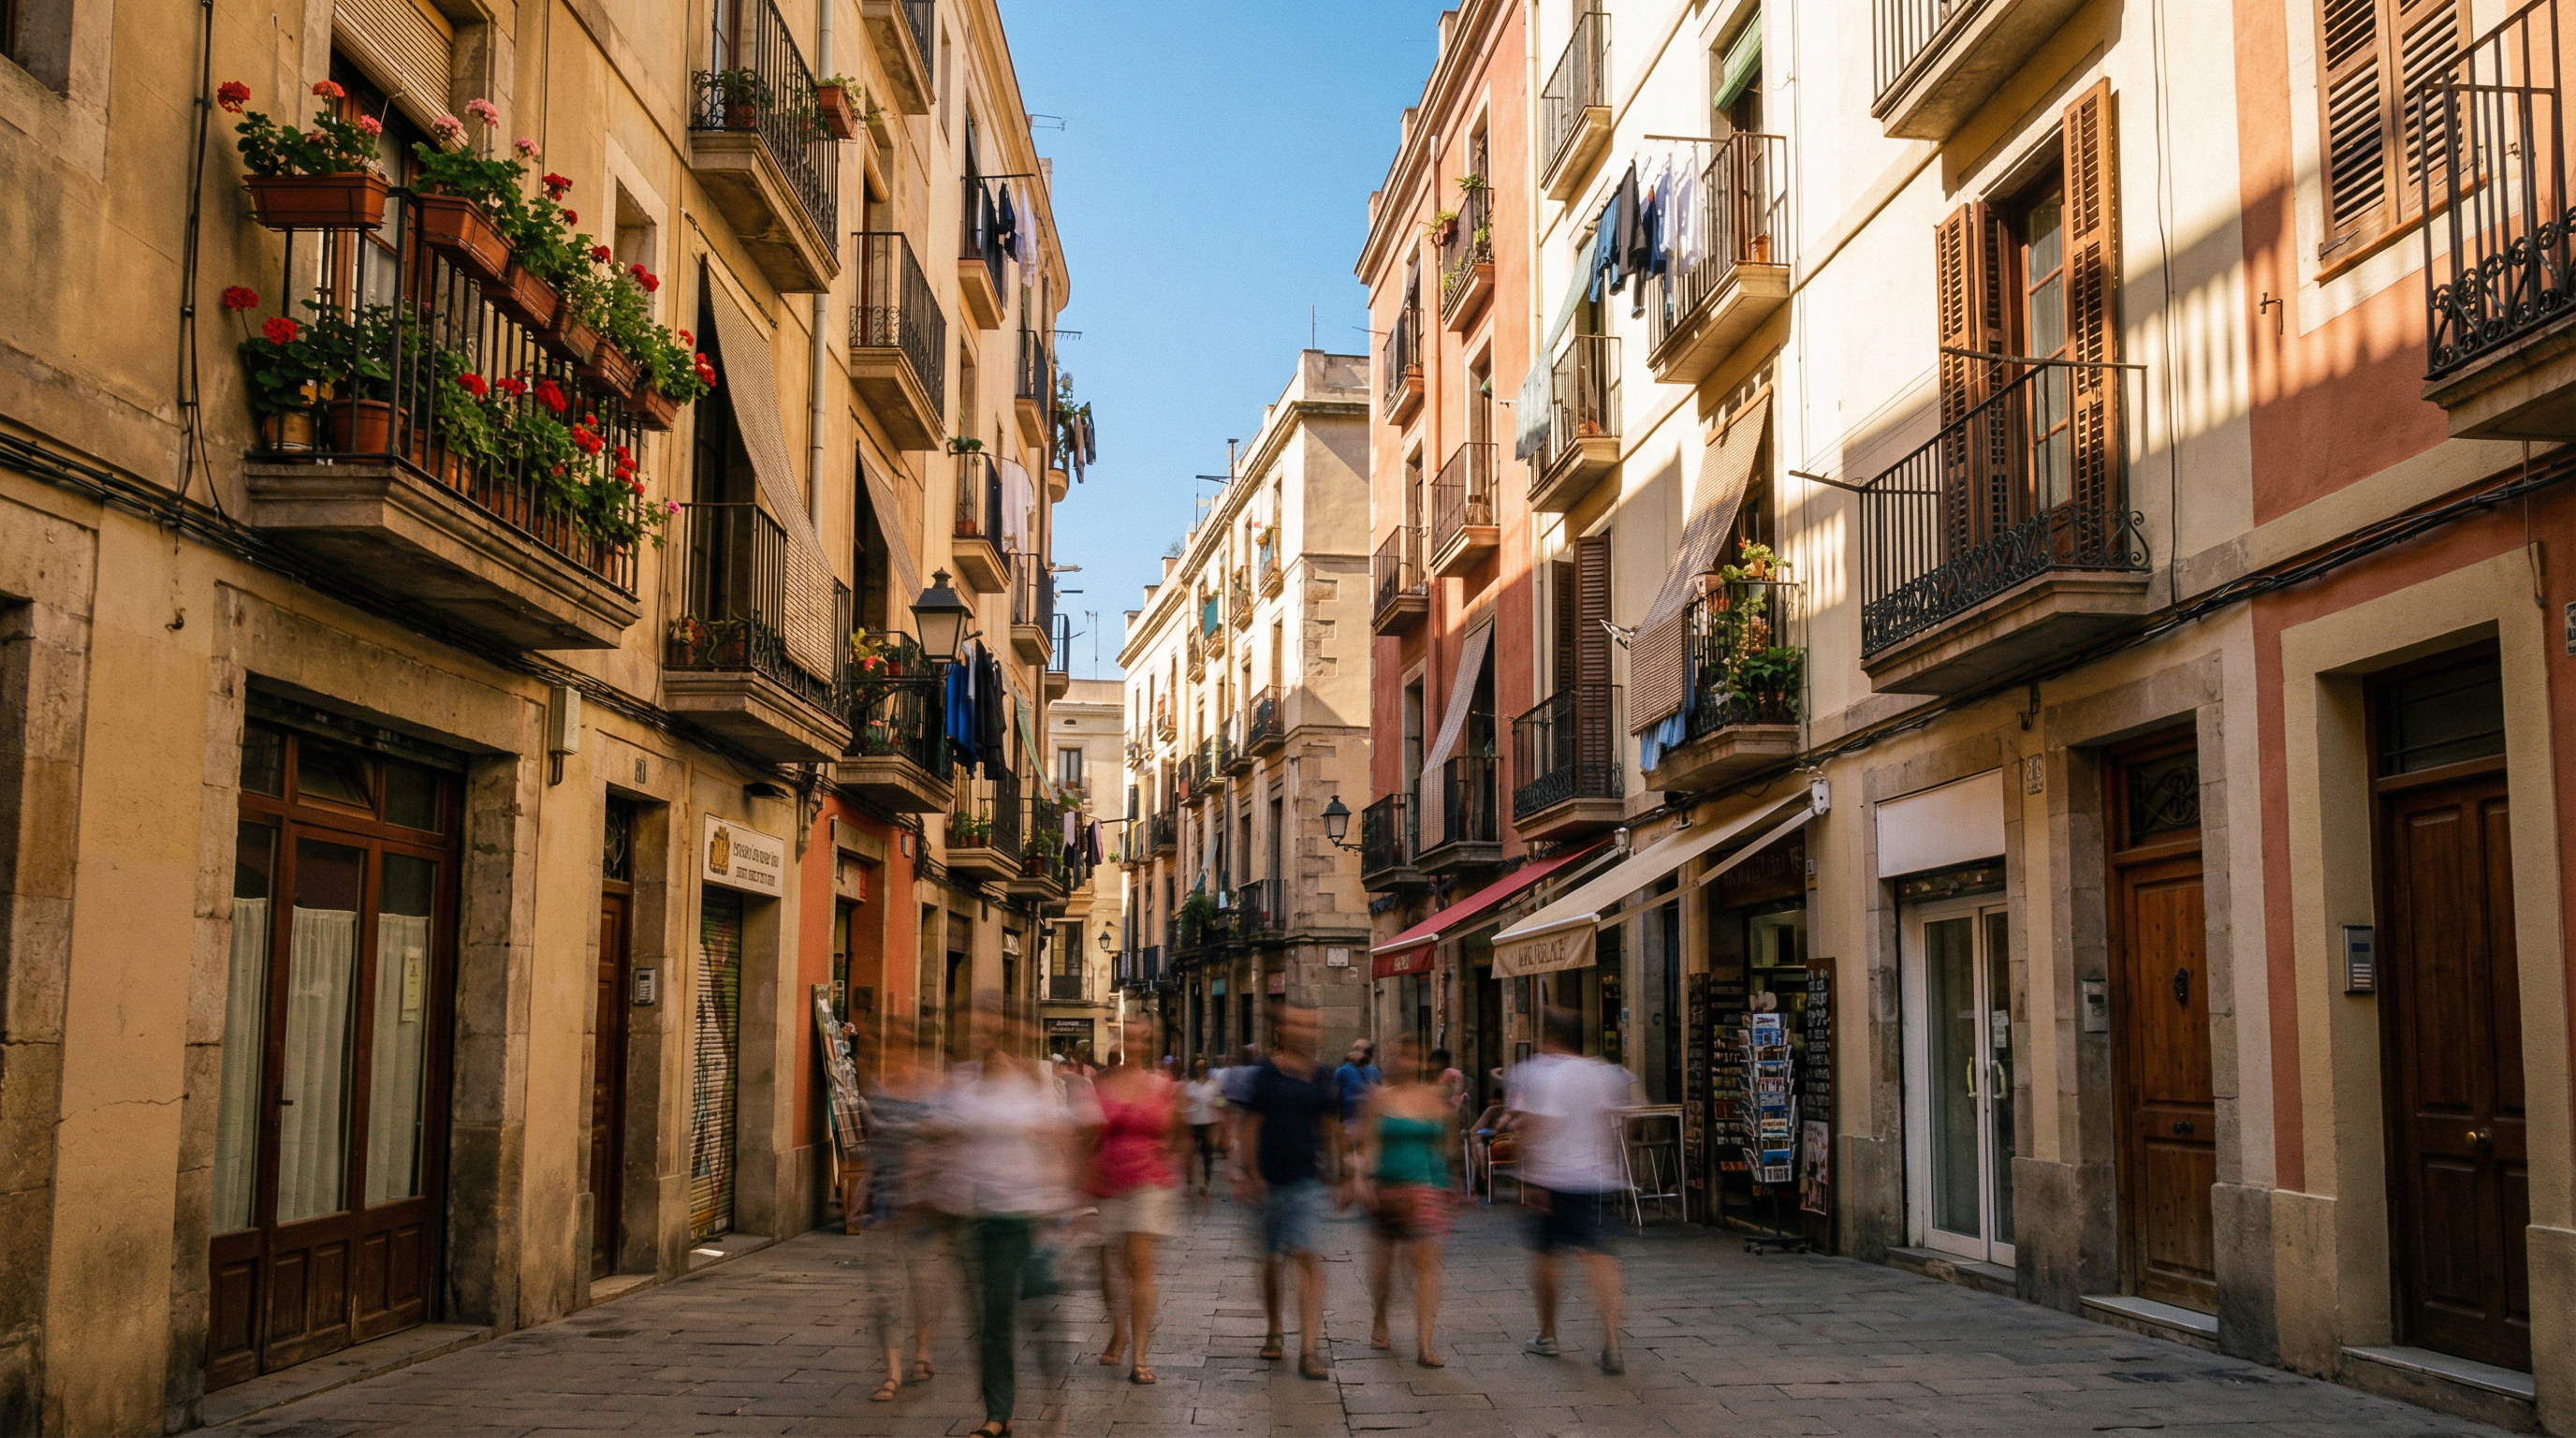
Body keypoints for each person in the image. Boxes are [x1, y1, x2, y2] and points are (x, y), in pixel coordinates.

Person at [934, 992, 1076, 1437]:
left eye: (983, 1020)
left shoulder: (1032, 1078)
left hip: (1031, 1215)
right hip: (985, 1215)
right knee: (993, 1318)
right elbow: (950, 1142)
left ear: (999, 1025)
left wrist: (1057, 1209)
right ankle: (999, 1414)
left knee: (1037, 1312)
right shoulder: (961, 1080)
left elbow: (1056, 1142)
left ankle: (1055, 1393)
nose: (976, 1030)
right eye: (969, 1022)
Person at [1507, 1005, 1639, 1376]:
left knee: (1547, 1254)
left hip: (1552, 1178)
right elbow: (1625, 1119)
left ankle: (1547, 1334)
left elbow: (1533, 1124)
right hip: (1596, 1178)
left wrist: (1526, 1175)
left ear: (1546, 1036)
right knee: (1599, 1255)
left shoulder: (1535, 1073)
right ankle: (1612, 1342)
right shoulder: (1605, 1073)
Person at [1234, 1005, 1338, 1379]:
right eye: (1296, 1024)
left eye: (1309, 1024)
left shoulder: (1322, 1076)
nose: (1304, 1031)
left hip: (1307, 1179)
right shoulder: (1264, 1073)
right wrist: (1250, 1173)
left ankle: (1309, 1350)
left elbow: (1329, 1126)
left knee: (1307, 1256)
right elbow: (1250, 1124)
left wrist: (1339, 1173)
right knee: (1272, 1260)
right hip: (1269, 1181)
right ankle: (1274, 1327)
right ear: (1282, 1029)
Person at [1086, 1025, 1182, 1384]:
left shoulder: (1163, 1086)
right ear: (1121, 1043)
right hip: (1108, 1181)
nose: (1138, 1044)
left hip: (1148, 1182)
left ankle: (1140, 1355)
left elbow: (1175, 1133)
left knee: (1140, 1267)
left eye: (1145, 1039)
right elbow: (1088, 1134)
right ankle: (1118, 1330)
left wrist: (1167, 1152)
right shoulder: (1100, 1084)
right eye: (1132, 1038)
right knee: (1110, 1268)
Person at [1352, 1034, 1455, 1368]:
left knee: (1425, 1265)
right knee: (1384, 1268)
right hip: (1387, 1190)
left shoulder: (1436, 1098)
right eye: (1399, 1056)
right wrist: (1364, 1181)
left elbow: (1444, 1146)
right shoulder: (1377, 1098)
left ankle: (1425, 1344)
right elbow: (1367, 1146)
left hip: (1426, 1190)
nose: (1405, 1063)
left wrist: (1447, 1186)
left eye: (1412, 1057)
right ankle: (1380, 1315)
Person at [856, 1016, 943, 1401]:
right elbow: (876, 1140)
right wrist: (863, 1183)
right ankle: (891, 1371)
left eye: (902, 1042)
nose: (894, 1050)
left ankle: (922, 1350)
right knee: (887, 1289)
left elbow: (942, 1142)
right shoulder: (877, 1086)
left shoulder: (932, 1088)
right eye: (890, 1043)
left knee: (922, 1283)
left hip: (921, 1198)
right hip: (883, 1197)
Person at [1332, 1040, 1383, 1177]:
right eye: (1356, 1048)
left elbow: (1379, 1094)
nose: (1358, 1052)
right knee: (1347, 1153)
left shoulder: (1374, 1071)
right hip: (1348, 1118)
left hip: (1367, 1120)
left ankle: (1362, 1178)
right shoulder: (1342, 1071)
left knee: (1364, 1153)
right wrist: (1337, 1120)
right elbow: (1335, 1095)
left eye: (1363, 1050)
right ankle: (1347, 1178)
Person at [1179, 1057, 1222, 1196]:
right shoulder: (1190, 1086)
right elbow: (1183, 1105)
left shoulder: (1212, 1085)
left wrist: (1218, 1105)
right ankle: (1189, 1184)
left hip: (1208, 1124)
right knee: (1190, 1155)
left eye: (1203, 1066)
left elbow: (1220, 1101)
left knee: (1207, 1154)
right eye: (1198, 1067)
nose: (1200, 1070)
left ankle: (1205, 1183)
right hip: (1192, 1124)